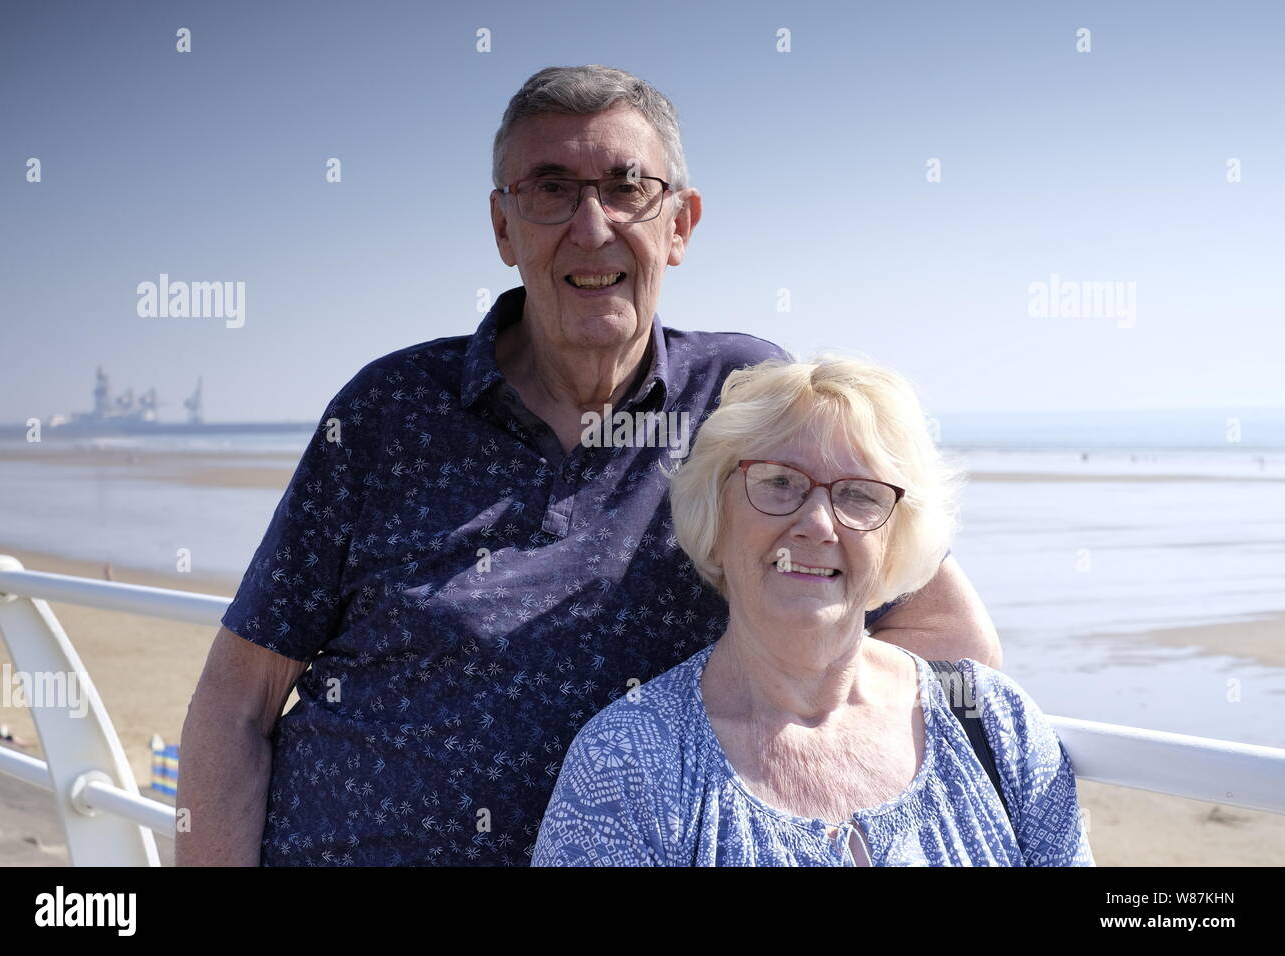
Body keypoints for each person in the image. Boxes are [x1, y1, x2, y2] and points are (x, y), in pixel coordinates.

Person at [176, 65, 1001, 867]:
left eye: (626, 186)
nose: (592, 226)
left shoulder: (743, 400)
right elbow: (236, 702)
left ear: (680, 224)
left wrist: (789, 774)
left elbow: (946, 638)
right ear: (503, 227)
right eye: (550, 189)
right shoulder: (386, 412)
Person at [532, 357, 1092, 866]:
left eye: (859, 494)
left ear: (897, 539)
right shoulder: (624, 765)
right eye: (779, 483)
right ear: (716, 514)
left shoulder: (995, 722)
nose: (818, 524)